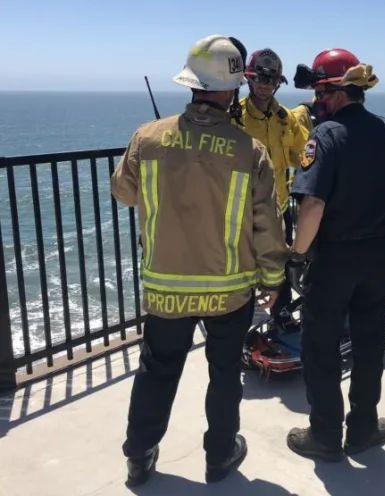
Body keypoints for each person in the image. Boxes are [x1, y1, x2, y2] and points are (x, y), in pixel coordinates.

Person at [111, 35, 290, 486]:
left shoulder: (148, 138)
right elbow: (266, 225)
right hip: (228, 292)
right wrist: (272, 279)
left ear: (191, 83)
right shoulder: (250, 151)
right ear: (233, 89)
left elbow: (123, 192)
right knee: (225, 374)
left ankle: (139, 456)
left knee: (157, 371)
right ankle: (219, 456)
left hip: (165, 288)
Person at [284, 48, 385, 461]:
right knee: (368, 345)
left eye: (320, 93)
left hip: (334, 262)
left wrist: (296, 255)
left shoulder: (325, 136)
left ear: (338, 92)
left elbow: (312, 207)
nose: (316, 102)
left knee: (321, 347)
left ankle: (325, 435)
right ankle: (363, 429)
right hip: (380, 259)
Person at [236, 48, 309, 325]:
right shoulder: (235, 117)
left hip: (278, 207)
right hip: (243, 211)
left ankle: (282, 317)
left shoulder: (285, 118)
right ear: (248, 79)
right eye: (259, 79)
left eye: (271, 80)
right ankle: (244, 323)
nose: (265, 85)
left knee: (281, 266)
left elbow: (302, 155)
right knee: (243, 270)